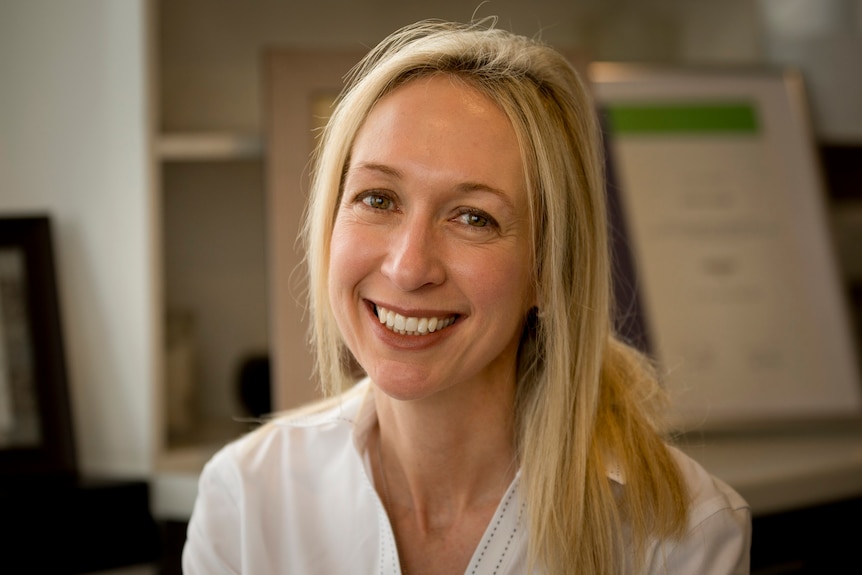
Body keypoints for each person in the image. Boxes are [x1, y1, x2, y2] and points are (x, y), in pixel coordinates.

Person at [182, 18, 751, 575]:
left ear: (550, 271)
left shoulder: (682, 537)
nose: (408, 268)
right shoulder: (246, 500)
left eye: (474, 217)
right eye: (378, 199)